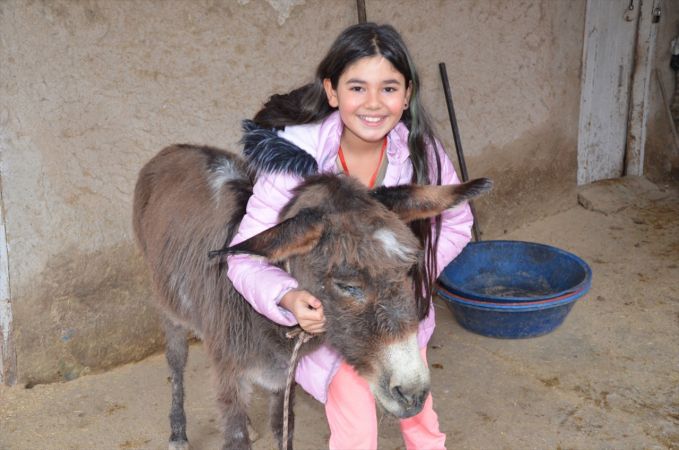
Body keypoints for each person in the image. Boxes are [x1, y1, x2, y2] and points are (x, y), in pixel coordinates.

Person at [228, 22, 474, 450]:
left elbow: (457, 223)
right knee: (355, 421)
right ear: (332, 91)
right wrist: (286, 296)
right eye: (358, 88)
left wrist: (408, 268)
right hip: (335, 324)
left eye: (390, 88)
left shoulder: (422, 153)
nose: (374, 104)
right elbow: (243, 257)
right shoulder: (292, 165)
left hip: (399, 314)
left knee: (419, 407)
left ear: (408, 94)